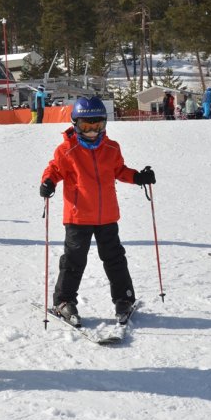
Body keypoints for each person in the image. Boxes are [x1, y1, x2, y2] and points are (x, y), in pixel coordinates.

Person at [40, 96, 155, 325]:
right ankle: (63, 300)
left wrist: (138, 177)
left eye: (97, 126)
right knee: (74, 260)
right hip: (78, 216)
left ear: (104, 124)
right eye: (86, 126)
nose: (92, 132)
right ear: (76, 124)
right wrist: (48, 182)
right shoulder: (67, 150)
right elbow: (53, 170)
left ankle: (124, 298)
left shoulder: (111, 148)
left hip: (107, 216)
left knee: (114, 259)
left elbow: (119, 170)